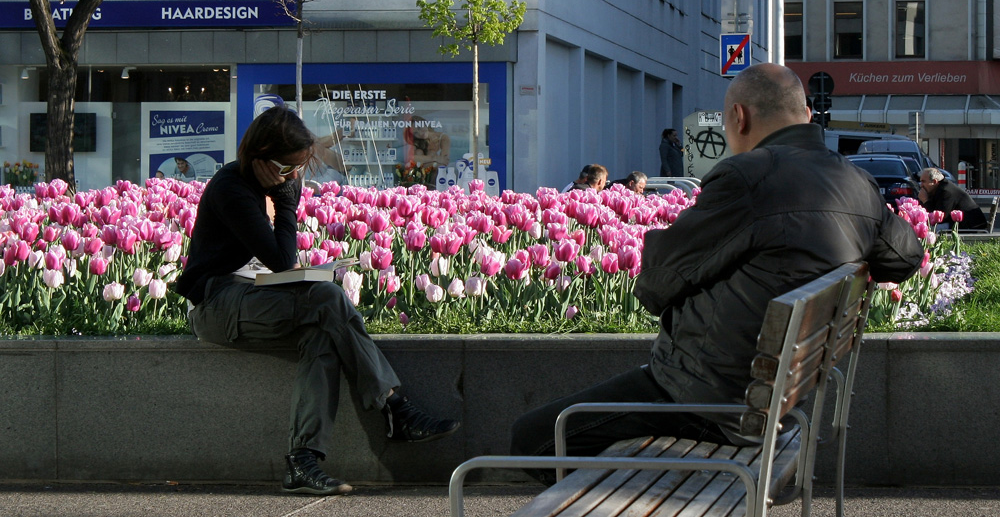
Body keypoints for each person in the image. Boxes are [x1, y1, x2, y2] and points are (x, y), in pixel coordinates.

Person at [510, 63, 922, 479]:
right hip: (782, 403)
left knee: (536, 439)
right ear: (808, 116)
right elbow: (904, 258)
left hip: (709, 400)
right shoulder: (856, 181)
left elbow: (656, 282)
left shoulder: (747, 177)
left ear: (739, 118)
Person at [176, 105, 459, 496]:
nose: (294, 177)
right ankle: (395, 408)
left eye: (298, 169)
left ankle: (303, 461)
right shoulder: (232, 189)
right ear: (259, 158)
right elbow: (281, 261)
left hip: (251, 295)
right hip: (215, 303)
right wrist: (286, 197)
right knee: (326, 296)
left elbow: (274, 267)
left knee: (322, 333)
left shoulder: (266, 181)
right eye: (287, 168)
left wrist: (282, 187)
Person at [918, 167, 987, 230]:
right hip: (956, 223)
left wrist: (925, 200)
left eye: (924, 181)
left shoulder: (946, 191)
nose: (921, 185)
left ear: (935, 182)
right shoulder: (938, 189)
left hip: (969, 225)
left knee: (926, 229)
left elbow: (939, 218)